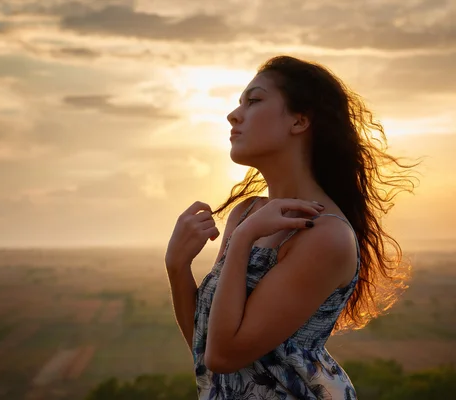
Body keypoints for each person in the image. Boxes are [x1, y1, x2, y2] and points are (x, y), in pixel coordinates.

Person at [165, 55, 421, 399]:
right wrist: (177, 268)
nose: (233, 114)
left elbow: (224, 356)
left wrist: (242, 241)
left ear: (300, 121)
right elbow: (206, 345)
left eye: (253, 101)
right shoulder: (248, 213)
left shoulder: (325, 236)